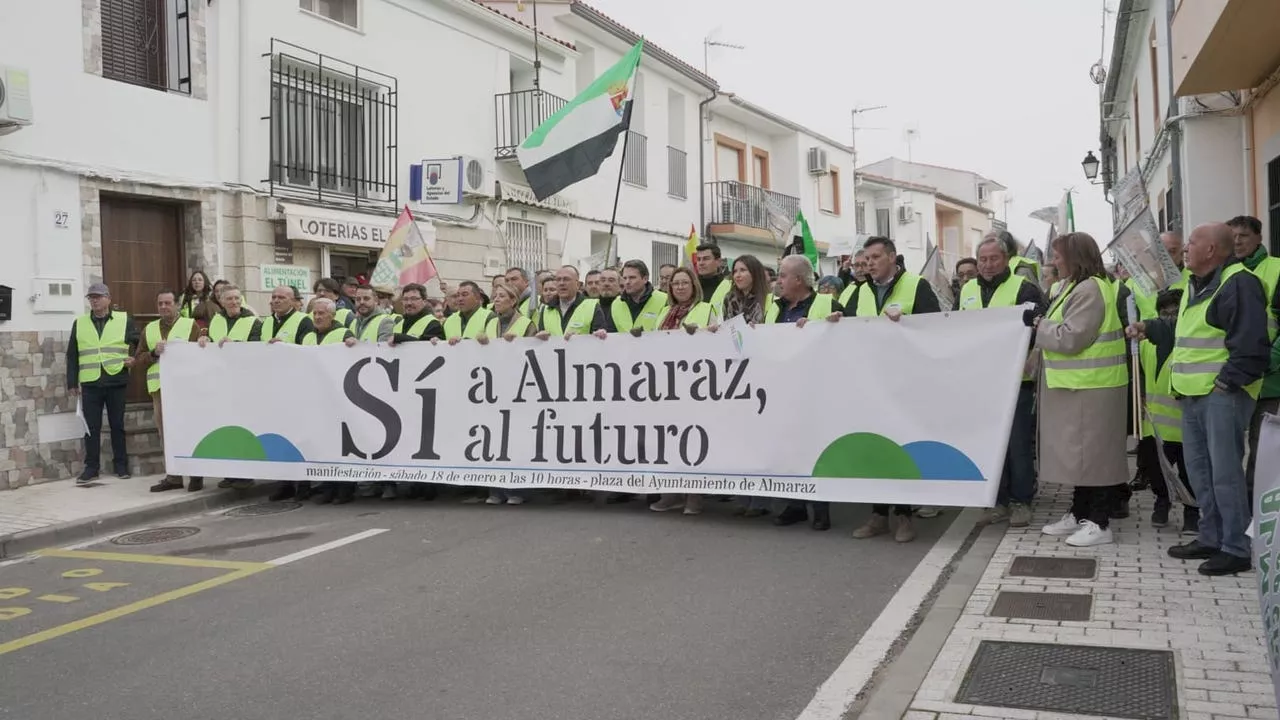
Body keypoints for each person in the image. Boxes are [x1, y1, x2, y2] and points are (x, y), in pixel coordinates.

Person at [1127, 222, 1270, 575]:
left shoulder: (1238, 283)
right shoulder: (1195, 284)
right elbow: (1185, 330)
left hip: (1221, 396)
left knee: (1225, 475)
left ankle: (1236, 548)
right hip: (1193, 396)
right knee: (1202, 473)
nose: (1185, 249)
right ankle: (1211, 536)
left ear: (1211, 250)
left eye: (1191, 243)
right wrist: (1151, 328)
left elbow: (1251, 344)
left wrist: (1225, 384)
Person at [839, 236, 941, 542]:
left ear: (892, 258)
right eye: (866, 258)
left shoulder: (916, 285)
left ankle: (904, 515)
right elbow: (843, 327)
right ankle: (878, 515)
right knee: (874, 449)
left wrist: (907, 322)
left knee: (902, 448)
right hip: (870, 383)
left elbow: (935, 327)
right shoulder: (857, 292)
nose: (869, 262)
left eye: (875, 257)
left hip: (905, 383)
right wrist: (833, 321)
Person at [1036, 233, 1129, 547]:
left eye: (1059, 256)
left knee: (1096, 457)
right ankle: (1079, 514)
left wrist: (1038, 325)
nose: (1054, 261)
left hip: (1095, 386)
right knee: (1082, 458)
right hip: (1082, 386)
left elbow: (1071, 337)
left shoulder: (1089, 289)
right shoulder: (1077, 287)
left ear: (1075, 257)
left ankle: (1100, 522)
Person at [959, 237, 1045, 527]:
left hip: (1015, 381)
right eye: (982, 259)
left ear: (1006, 259)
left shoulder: (1024, 289)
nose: (987, 264)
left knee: (1017, 445)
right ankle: (998, 501)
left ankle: (1022, 502)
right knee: (989, 443)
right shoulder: (967, 289)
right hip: (980, 382)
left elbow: (1036, 329)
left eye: (993, 258)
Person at [766, 255, 840, 531]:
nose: (778, 281)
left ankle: (821, 507)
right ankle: (795, 505)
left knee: (816, 449)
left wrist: (836, 322)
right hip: (784, 388)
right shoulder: (775, 308)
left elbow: (854, 333)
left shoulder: (826, 303)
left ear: (799, 279)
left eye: (783, 275)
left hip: (817, 389)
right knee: (789, 447)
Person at [648, 266, 719, 515]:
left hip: (695, 385)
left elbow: (717, 342)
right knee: (668, 440)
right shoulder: (664, 313)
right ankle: (670, 493)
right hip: (666, 385)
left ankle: (694, 496)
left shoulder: (707, 309)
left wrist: (701, 335)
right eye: (675, 283)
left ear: (694, 285)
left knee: (693, 440)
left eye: (684, 283)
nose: (679, 287)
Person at [1227, 215, 1280, 502]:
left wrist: (1268, 362)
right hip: (1234, 377)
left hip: (1269, 379)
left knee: (1261, 450)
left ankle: (1256, 512)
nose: (1237, 241)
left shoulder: (1277, 269)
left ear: (1259, 238)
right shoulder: (1226, 273)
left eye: (1243, 236)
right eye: (1232, 236)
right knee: (1231, 449)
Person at [67, 283, 140, 485]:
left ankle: (121, 466)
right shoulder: (80, 323)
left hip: (116, 379)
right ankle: (91, 468)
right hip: (91, 382)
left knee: (117, 425)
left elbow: (139, 341)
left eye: (98, 296)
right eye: (91, 297)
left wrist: (134, 358)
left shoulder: (124, 320)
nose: (94, 300)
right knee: (91, 428)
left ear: (108, 298)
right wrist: (72, 382)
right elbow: (72, 355)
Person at [137, 289, 202, 493]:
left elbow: (201, 355)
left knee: (190, 430)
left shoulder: (190, 325)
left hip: (185, 389)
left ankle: (195, 474)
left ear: (177, 305)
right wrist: (154, 353)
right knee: (166, 433)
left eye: (168, 303)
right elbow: (139, 358)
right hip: (160, 390)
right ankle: (173, 475)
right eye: (160, 304)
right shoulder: (149, 329)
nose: (164, 307)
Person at [536, 266, 609, 338]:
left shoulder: (593, 307)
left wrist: (579, 341)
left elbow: (599, 343)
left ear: (577, 284)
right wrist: (540, 338)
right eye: (558, 279)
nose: (561, 283)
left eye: (566, 279)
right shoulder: (545, 310)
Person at [609, 259, 668, 333]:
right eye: (625, 278)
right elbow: (609, 335)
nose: (627, 282)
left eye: (632, 278)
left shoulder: (664, 300)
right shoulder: (616, 303)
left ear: (645, 279)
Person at [695, 243, 733, 309]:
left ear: (718, 262)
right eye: (698, 259)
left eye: (706, 259)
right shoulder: (691, 286)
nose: (701, 263)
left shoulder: (729, 286)